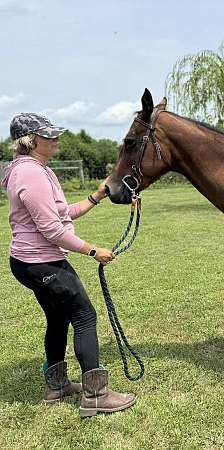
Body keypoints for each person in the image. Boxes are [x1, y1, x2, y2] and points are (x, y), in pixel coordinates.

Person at [2, 113, 136, 418]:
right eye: (50, 135)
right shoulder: (31, 174)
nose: (57, 138)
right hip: (42, 262)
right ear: (32, 140)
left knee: (59, 317)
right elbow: (52, 230)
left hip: (29, 261)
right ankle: (96, 396)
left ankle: (57, 386)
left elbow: (63, 213)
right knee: (85, 316)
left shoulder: (32, 170)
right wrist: (92, 250)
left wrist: (97, 196)